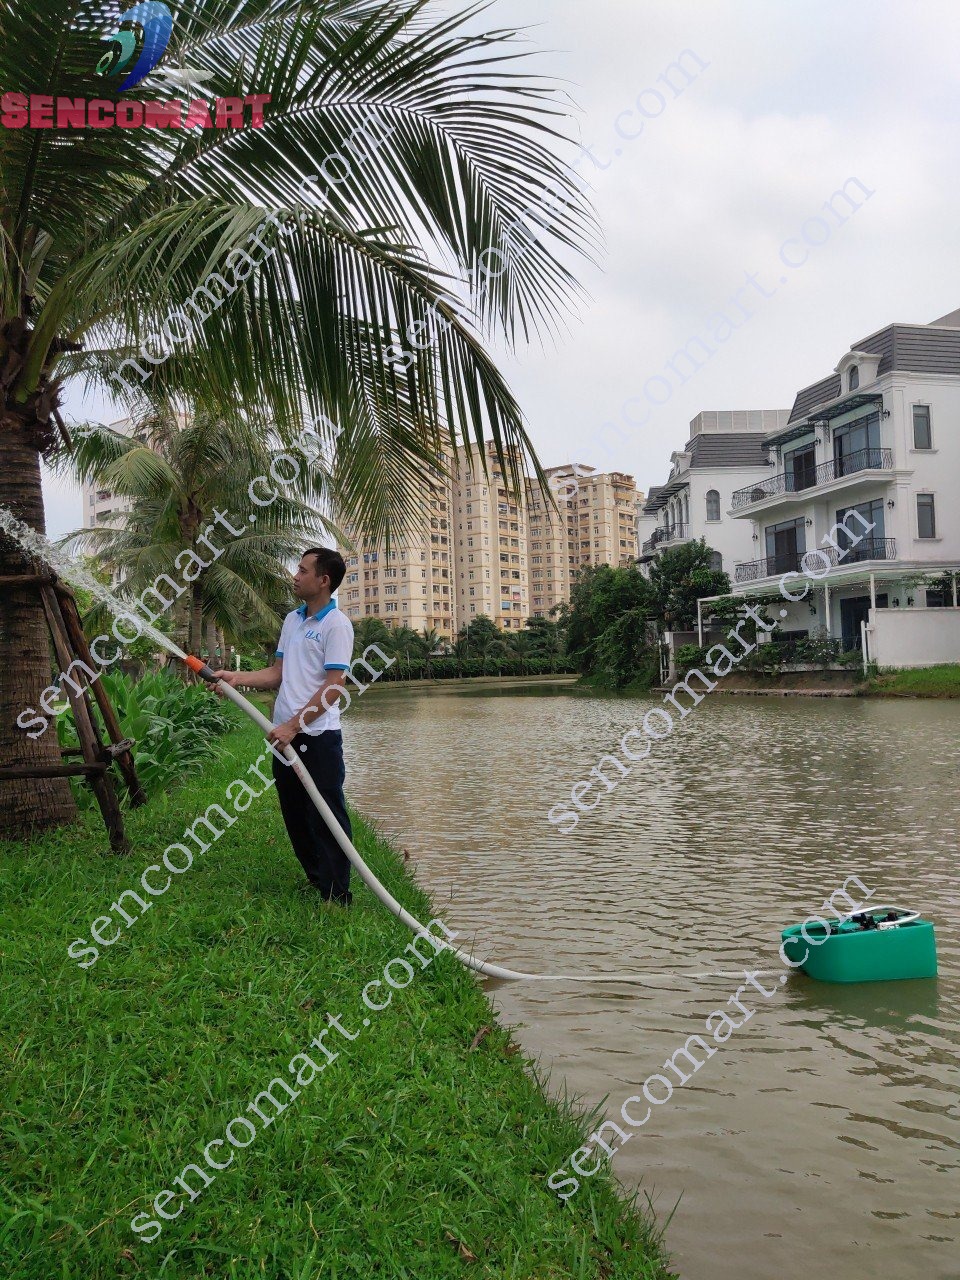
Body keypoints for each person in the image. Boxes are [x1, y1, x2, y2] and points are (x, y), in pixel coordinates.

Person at [212, 547, 355, 904]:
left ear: (324, 580)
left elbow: (334, 686)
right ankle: (317, 880)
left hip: (316, 737)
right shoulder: (293, 620)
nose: (295, 576)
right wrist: (236, 678)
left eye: (303, 571)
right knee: (295, 813)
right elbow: (277, 673)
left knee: (326, 814)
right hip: (284, 736)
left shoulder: (336, 625)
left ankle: (338, 894)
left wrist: (294, 725)